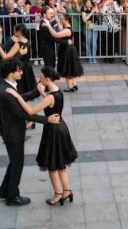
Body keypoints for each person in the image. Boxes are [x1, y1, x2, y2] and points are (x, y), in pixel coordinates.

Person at [6, 66, 78, 205]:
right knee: (60, 164)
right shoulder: (57, 91)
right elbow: (52, 104)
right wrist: (42, 93)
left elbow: (31, 111)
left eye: (41, 77)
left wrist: (17, 97)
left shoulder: (50, 96)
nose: (39, 79)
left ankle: (58, 194)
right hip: (61, 127)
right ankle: (67, 191)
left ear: (47, 79)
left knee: (52, 167)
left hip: (53, 131)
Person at [0, 58, 61, 206]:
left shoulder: (9, 86)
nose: (21, 72)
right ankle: (12, 196)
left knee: (14, 163)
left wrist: (36, 92)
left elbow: (21, 99)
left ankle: (4, 191)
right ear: (11, 73)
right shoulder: (6, 91)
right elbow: (23, 114)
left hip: (13, 132)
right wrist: (47, 120)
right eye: (18, 70)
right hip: (13, 134)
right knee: (17, 165)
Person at [0, 20, 21, 131]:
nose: (1, 29)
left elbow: (2, 47)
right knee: (1, 98)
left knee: (2, 98)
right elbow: (2, 58)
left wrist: (10, 40)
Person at [42, 13, 83, 92]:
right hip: (68, 49)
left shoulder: (67, 30)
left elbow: (56, 35)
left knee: (66, 67)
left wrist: (48, 26)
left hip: (67, 50)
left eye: (62, 19)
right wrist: (57, 21)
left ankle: (70, 87)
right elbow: (61, 30)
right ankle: (74, 84)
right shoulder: (67, 28)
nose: (61, 20)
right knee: (70, 67)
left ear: (66, 20)